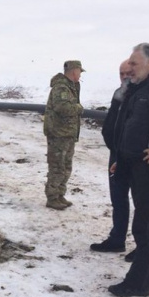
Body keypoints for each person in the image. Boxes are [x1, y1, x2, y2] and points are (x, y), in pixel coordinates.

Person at [108, 43, 149, 297]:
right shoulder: (140, 89)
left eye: (135, 63)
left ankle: (138, 283)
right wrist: (121, 160)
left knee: (144, 228)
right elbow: (130, 128)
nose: (130, 68)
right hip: (134, 165)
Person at [90, 60, 132, 253]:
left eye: (128, 73)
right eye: (121, 73)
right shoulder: (119, 94)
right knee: (118, 198)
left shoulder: (145, 94)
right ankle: (117, 239)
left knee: (144, 204)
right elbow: (112, 123)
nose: (124, 77)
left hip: (137, 156)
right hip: (116, 154)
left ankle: (145, 249)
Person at [43, 60, 85, 210]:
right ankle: (52, 198)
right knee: (57, 166)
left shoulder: (70, 87)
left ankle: (60, 194)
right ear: (74, 71)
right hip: (58, 134)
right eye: (80, 71)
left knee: (66, 166)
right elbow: (62, 107)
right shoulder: (61, 87)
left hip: (67, 134)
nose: (80, 75)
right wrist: (78, 108)